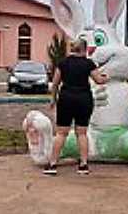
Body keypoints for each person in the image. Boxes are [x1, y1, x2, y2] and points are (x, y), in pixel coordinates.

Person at [43, 39, 108, 175]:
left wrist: (53, 99)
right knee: (82, 133)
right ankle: (83, 165)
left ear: (73, 49)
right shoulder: (89, 63)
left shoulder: (63, 63)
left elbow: (54, 84)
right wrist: (106, 77)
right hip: (84, 99)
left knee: (61, 133)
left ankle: (52, 164)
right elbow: (99, 80)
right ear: (85, 49)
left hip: (66, 99)